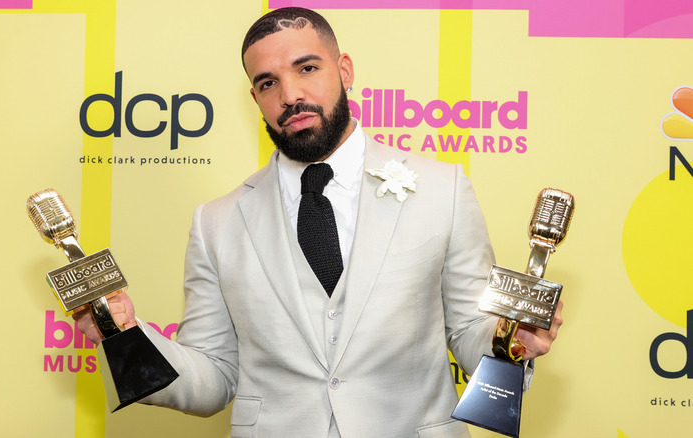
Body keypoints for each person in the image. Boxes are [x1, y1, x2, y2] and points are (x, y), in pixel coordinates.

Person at [74, 7, 562, 437]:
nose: (290, 95)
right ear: (256, 98)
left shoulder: (443, 190)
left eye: (307, 68)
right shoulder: (216, 223)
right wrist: (125, 336)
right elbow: (214, 377)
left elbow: (472, 336)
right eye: (268, 83)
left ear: (344, 69)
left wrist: (511, 342)